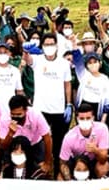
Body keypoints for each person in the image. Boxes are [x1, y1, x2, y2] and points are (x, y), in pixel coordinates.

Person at [24, 33, 73, 175]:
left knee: (58, 143)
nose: (49, 47)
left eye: (52, 44)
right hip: (41, 109)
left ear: (57, 46)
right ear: (42, 46)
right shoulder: (38, 60)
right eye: (46, 45)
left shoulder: (64, 63)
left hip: (58, 109)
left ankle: (58, 172)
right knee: (39, 143)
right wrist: (26, 50)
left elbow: (67, 84)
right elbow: (28, 60)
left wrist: (69, 104)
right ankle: (38, 172)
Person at [0, 95, 54, 177]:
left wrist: (47, 162)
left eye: (19, 114)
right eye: (13, 114)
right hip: (15, 146)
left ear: (26, 110)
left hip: (34, 144)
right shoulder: (5, 118)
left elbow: (47, 138)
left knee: (42, 170)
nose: (16, 117)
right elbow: (3, 146)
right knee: (7, 169)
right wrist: (10, 133)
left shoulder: (35, 114)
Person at [59, 103, 109, 179]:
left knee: (103, 167)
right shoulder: (69, 136)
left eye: (88, 118)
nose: (85, 121)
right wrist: (68, 179)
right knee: (60, 177)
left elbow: (104, 159)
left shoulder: (102, 128)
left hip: (94, 161)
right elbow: (63, 162)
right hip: (77, 163)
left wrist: (95, 150)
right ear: (77, 119)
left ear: (93, 118)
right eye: (82, 119)